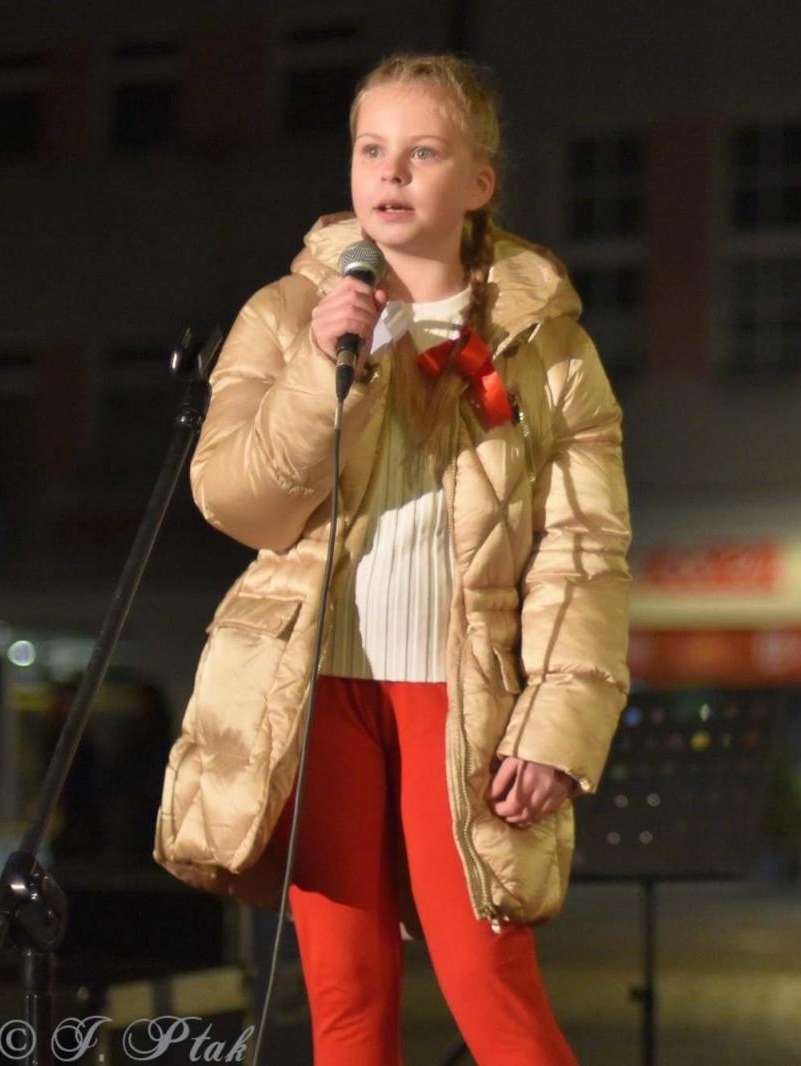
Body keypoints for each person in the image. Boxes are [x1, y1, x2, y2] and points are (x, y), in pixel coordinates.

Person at [153, 53, 631, 1064]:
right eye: (374, 149)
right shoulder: (289, 317)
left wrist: (558, 723)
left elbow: (586, 549)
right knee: (346, 1006)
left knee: (494, 997)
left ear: (480, 181)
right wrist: (334, 374)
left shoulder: (547, 347)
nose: (393, 173)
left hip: (462, 700)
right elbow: (235, 498)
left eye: (424, 152)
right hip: (314, 693)